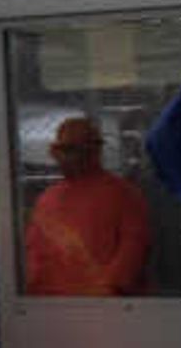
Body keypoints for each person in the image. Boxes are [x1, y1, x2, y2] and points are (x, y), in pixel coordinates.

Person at [21, 115, 151, 298]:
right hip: (54, 306)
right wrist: (36, 295)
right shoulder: (48, 199)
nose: (65, 157)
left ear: (94, 151)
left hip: (105, 307)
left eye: (72, 149)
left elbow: (133, 248)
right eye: (62, 150)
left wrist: (107, 291)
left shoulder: (123, 194)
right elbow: (35, 252)